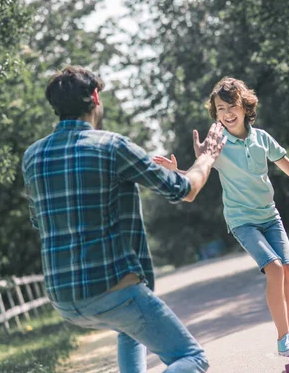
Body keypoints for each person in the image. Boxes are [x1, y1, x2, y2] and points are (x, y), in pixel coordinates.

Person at [22, 66, 226, 373]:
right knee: (192, 358)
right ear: (94, 97)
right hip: (113, 290)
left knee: (130, 331)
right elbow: (184, 190)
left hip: (64, 300)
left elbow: (40, 221)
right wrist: (208, 155)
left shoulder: (32, 157)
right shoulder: (112, 146)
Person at [153, 77, 289, 357]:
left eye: (231, 105)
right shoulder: (218, 144)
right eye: (220, 108)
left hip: (270, 217)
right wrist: (177, 172)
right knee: (273, 267)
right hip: (242, 221)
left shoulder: (262, 139)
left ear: (246, 106)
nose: (226, 113)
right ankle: (283, 338)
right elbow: (200, 172)